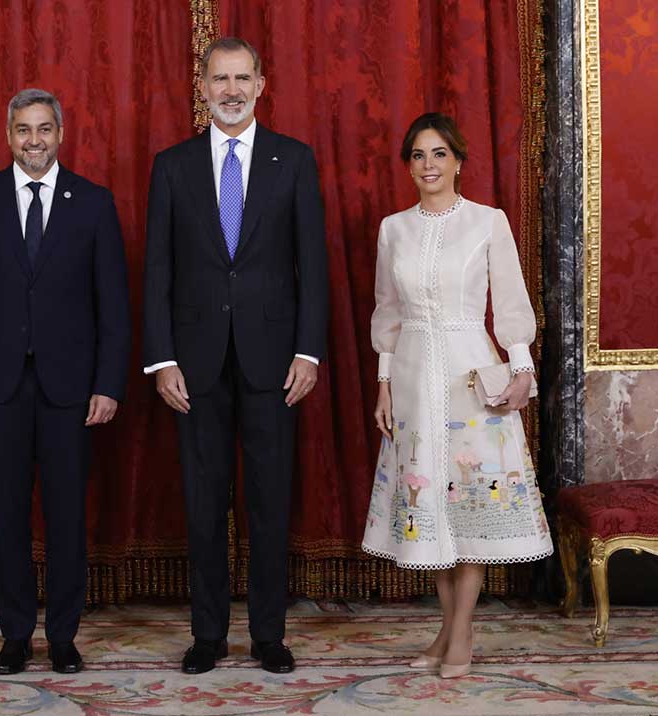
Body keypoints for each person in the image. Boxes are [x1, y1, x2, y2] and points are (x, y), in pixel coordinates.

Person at [142, 37, 329, 675]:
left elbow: (313, 267)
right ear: (202, 86)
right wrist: (160, 358)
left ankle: (269, 636)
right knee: (202, 504)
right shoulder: (171, 165)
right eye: (219, 79)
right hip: (192, 366)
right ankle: (208, 636)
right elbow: (157, 271)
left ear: (261, 83)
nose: (230, 90)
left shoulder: (295, 161)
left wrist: (309, 349)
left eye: (241, 78)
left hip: (276, 363)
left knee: (270, 503)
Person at [0, 88, 131, 675]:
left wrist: (108, 383)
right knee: (6, 516)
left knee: (67, 515)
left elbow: (114, 307)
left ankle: (64, 635)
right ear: (8, 135)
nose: (34, 141)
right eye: (23, 130)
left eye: (44, 129)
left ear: (61, 133)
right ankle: (15, 634)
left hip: (71, 390)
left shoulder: (94, 203)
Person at [361, 112, 553, 678]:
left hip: (472, 372)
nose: (428, 165)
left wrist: (521, 368)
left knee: (468, 507)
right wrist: (384, 383)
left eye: (439, 154)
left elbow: (512, 300)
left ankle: (462, 633)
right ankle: (447, 631)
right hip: (416, 374)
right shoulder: (393, 229)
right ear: (408, 165)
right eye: (418, 155)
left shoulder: (488, 222)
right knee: (434, 512)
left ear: (459, 161)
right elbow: (387, 312)